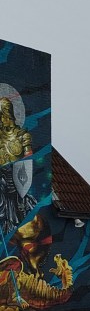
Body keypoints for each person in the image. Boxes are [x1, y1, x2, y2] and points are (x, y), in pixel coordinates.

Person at [0, 96, 36, 235]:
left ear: (7, 115)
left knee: (20, 216)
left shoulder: (22, 136)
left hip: (15, 185)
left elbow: (28, 160)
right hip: (1, 183)